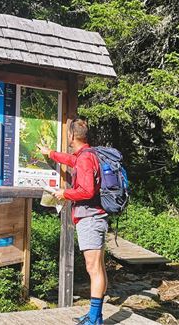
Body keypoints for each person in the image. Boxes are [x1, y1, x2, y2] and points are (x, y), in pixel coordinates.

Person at [38, 118, 107, 325]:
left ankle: (94, 319)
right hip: (94, 217)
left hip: (90, 218)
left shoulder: (85, 159)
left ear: (71, 136)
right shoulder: (87, 154)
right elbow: (71, 160)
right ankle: (96, 316)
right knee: (99, 267)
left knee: (93, 268)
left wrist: (64, 193)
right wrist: (50, 154)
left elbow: (86, 191)